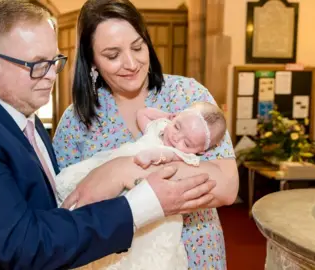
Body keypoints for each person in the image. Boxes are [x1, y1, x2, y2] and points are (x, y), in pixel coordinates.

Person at [0, 1, 218, 269]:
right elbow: (23, 245)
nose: (52, 75)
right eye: (37, 65)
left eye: (55, 61)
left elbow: (55, 212)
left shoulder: (27, 120)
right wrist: (141, 203)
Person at [52, 0, 239, 269]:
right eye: (112, 55)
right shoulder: (76, 121)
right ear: (91, 60)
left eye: (138, 47)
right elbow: (69, 208)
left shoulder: (187, 96)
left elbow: (225, 186)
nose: (131, 63)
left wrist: (121, 170)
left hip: (194, 251)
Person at [54, 102, 227, 269]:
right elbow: (142, 114)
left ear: (200, 151)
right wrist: (167, 117)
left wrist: (151, 156)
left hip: (146, 195)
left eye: (187, 143)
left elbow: (162, 157)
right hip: (115, 167)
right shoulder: (161, 128)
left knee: (139, 246)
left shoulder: (179, 154)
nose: (176, 138)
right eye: (177, 126)